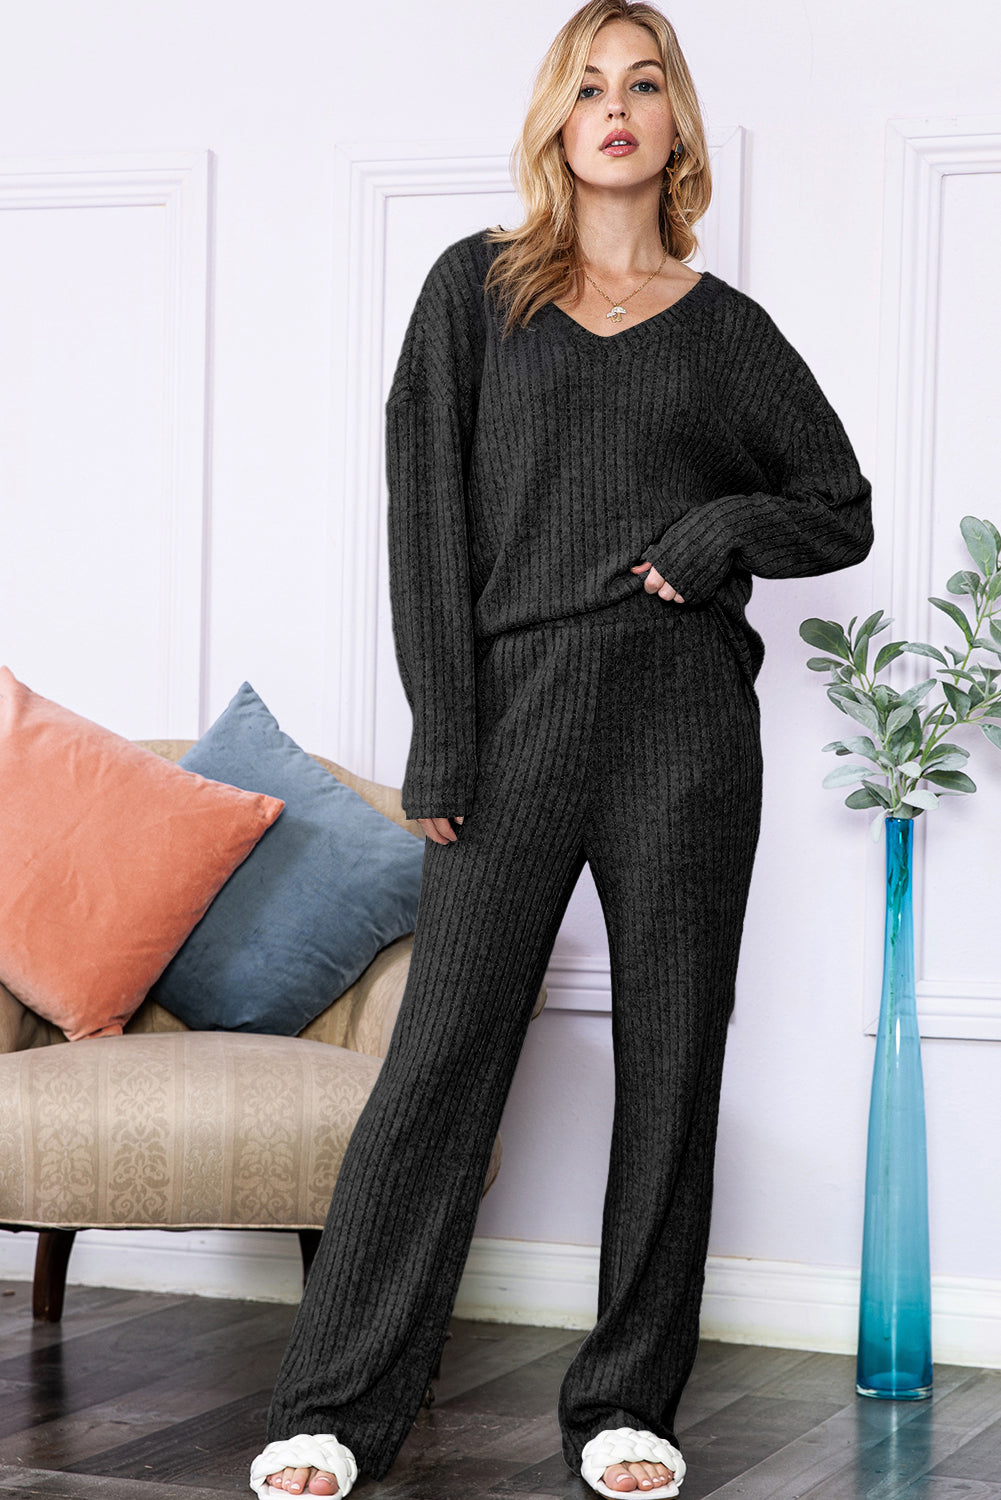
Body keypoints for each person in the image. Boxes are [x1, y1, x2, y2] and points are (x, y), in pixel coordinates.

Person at [250, 2, 874, 1497]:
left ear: (675, 124)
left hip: (683, 728)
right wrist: (443, 741)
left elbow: (838, 507)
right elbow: (426, 522)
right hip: (515, 716)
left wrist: (720, 532)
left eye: (643, 84)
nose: (615, 107)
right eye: (588, 85)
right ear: (556, 119)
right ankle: (334, 1408)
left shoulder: (725, 332)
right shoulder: (475, 293)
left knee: (671, 1061)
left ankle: (624, 1404)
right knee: (440, 1062)